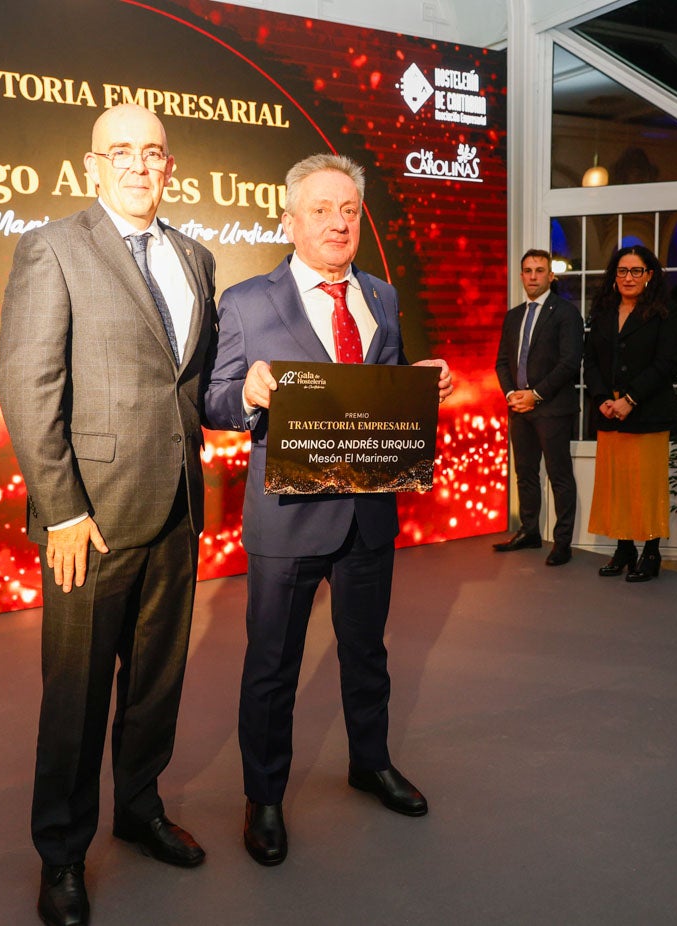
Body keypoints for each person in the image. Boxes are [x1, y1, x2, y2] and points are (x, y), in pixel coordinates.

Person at [0, 105, 217, 926]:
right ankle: (60, 855)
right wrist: (59, 512)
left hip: (176, 508)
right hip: (87, 520)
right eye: (119, 151)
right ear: (91, 165)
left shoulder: (195, 256)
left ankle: (139, 807)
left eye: (152, 152)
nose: (137, 164)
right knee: (77, 695)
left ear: (169, 166)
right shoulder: (52, 247)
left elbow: (194, 385)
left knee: (157, 683)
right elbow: (28, 386)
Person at [204, 153, 453, 867]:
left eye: (347, 210)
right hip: (286, 516)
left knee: (367, 652)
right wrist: (246, 394)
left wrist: (419, 385)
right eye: (320, 209)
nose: (337, 223)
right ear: (288, 220)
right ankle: (265, 797)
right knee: (273, 664)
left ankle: (368, 763)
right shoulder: (249, 301)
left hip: (367, 513)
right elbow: (214, 401)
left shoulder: (379, 293)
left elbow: (380, 394)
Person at [583, 245, 677, 583]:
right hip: (609, 414)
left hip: (648, 412)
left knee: (646, 485)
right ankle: (624, 548)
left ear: (649, 275)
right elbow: (591, 361)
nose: (628, 277)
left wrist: (630, 399)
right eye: (622, 271)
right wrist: (601, 398)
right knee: (617, 485)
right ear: (614, 276)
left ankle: (651, 552)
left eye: (636, 271)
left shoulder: (665, 311)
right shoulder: (602, 312)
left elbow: (666, 364)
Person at [491, 249, 584, 565]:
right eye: (527, 270)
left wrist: (535, 394)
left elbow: (569, 363)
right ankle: (529, 532)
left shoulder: (566, 313)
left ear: (550, 276)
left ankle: (562, 543)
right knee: (525, 473)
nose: (533, 276)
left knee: (559, 475)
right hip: (518, 409)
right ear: (521, 275)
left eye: (539, 270)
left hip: (552, 409)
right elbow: (502, 362)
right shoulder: (513, 315)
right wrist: (511, 395)